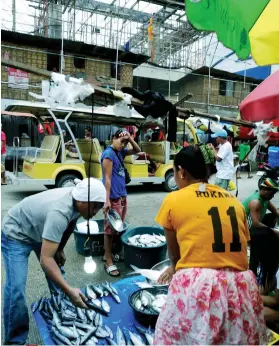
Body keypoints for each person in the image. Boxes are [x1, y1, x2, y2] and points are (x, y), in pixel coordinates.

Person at [154, 144, 267, 345]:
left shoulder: (173, 199)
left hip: (201, 287)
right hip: (241, 288)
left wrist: (174, 268)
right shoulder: (233, 201)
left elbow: (176, 255)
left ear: (181, 172)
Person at [1, 178, 106, 345]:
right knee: (16, 289)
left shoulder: (79, 203)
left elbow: (70, 224)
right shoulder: (59, 212)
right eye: (94, 206)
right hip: (16, 233)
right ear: (81, 201)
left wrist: (61, 248)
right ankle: (14, 342)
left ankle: (63, 312)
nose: (95, 211)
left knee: (57, 275)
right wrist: (70, 289)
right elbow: (45, 260)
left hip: (40, 227)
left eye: (99, 207)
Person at [101, 129, 141, 276]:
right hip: (112, 198)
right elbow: (108, 178)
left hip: (122, 195)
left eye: (125, 142)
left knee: (117, 228)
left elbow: (138, 150)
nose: (123, 144)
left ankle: (108, 254)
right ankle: (108, 261)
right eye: (121, 140)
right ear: (113, 138)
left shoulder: (121, 152)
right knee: (109, 230)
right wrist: (106, 201)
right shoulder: (109, 154)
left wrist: (129, 139)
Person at [242, 178, 279, 289]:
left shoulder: (265, 199)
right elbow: (256, 224)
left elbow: (276, 212)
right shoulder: (256, 202)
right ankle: (254, 276)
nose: (272, 196)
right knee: (260, 253)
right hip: (248, 231)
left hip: (256, 229)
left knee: (272, 217)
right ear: (264, 189)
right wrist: (274, 231)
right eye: (271, 193)